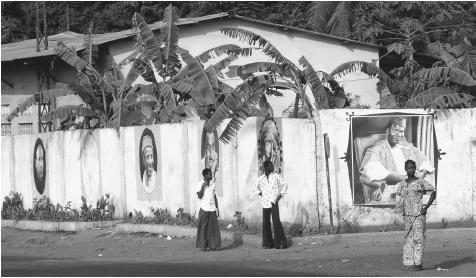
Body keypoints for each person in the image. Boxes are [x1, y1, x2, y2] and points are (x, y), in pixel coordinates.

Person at [359, 117, 433, 203]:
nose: (399, 134)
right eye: (395, 130)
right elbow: (372, 168)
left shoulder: (406, 146)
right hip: (396, 187)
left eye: (401, 131)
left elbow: (423, 158)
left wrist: (423, 171)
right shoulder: (378, 149)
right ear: (387, 131)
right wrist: (404, 178)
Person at [394, 160, 436, 271]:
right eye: (408, 168)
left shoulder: (420, 182)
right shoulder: (402, 184)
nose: (410, 170)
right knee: (408, 238)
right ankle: (409, 262)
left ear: (415, 168)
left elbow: (433, 192)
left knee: (418, 238)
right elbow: (400, 199)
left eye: (412, 167)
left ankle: (418, 263)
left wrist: (425, 208)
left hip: (418, 215)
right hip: (407, 216)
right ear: (405, 169)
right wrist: (398, 214)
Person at [254, 161, 288, 249]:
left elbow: (285, 185)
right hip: (265, 203)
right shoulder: (261, 178)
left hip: (273, 202)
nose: (272, 167)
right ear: (266, 168)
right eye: (270, 166)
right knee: (266, 223)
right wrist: (261, 194)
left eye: (272, 166)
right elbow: (255, 187)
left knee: (276, 221)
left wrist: (280, 195)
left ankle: (280, 243)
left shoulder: (276, 176)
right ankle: (268, 243)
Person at [196, 168, 221, 251]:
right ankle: (203, 246)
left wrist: (217, 208)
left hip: (212, 209)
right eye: (209, 174)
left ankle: (214, 246)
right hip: (204, 208)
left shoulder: (213, 184)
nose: (211, 176)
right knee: (203, 228)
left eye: (211, 174)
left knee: (213, 228)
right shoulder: (199, 183)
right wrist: (203, 187)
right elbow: (199, 196)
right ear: (205, 175)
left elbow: (215, 196)